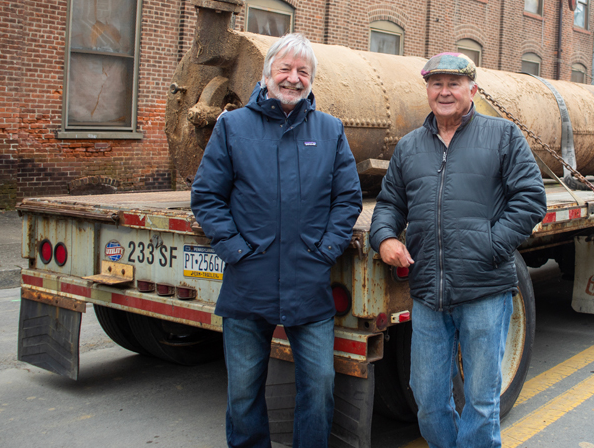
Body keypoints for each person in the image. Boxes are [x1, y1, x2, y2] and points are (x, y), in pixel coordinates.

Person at [191, 32, 362, 448]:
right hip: (250, 283)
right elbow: (207, 196)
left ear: (312, 81)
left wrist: (325, 251)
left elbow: (348, 199)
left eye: (303, 71)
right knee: (244, 393)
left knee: (319, 387)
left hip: (309, 284)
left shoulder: (329, 130)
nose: (293, 78)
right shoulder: (233, 126)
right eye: (284, 69)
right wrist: (236, 251)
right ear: (267, 75)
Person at [369, 52, 546, 448]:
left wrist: (491, 245)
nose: (444, 92)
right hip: (429, 295)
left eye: (454, 84)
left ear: (473, 90)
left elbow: (531, 199)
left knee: (482, 402)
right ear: (427, 90)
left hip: (485, 290)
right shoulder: (410, 146)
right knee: (428, 400)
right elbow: (389, 205)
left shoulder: (502, 136)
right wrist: (385, 238)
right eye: (436, 84)